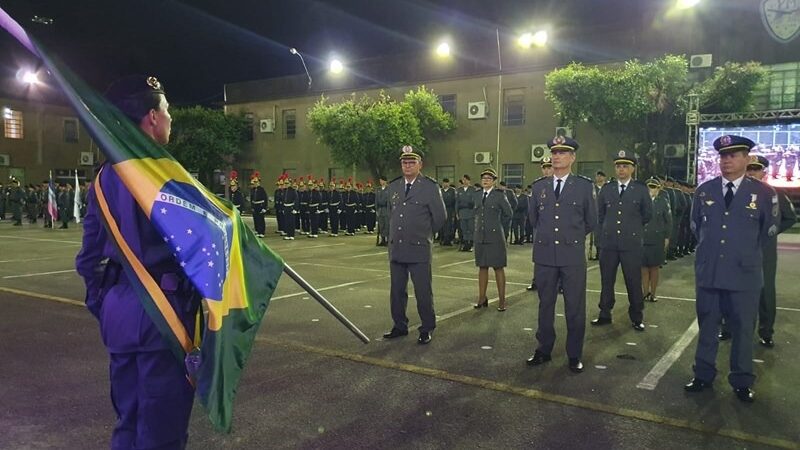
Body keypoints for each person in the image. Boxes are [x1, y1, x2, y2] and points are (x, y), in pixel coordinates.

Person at [75, 75, 199, 448]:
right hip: (163, 316)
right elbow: (198, 249)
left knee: (128, 423)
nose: (170, 118)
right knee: (162, 431)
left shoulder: (104, 178)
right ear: (151, 118)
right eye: (167, 110)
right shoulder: (165, 176)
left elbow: (88, 259)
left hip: (119, 317)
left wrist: (108, 303)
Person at [684, 135, 778, 403]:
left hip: (744, 276)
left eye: (734, 155)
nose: (727, 160)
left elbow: (766, 232)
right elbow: (695, 227)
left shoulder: (763, 193)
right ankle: (703, 374)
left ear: (747, 159)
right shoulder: (704, 191)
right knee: (708, 327)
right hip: (710, 273)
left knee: (743, 331)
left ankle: (741, 380)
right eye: (723, 156)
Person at [526, 136, 596, 373]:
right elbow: (534, 220)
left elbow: (591, 221)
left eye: (563, 153)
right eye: (554, 152)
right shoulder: (539, 187)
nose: (557, 156)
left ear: (572, 158)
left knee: (574, 307)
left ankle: (574, 354)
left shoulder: (584, 187)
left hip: (572, 256)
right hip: (545, 256)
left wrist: (570, 238)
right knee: (545, 305)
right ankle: (544, 349)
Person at [382, 145, 446, 345]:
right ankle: (399, 325)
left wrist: (424, 235)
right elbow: (390, 214)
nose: (407, 166)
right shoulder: (394, 186)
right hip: (397, 248)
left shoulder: (429, 186)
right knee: (397, 291)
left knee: (423, 291)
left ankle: (427, 327)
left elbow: (440, 217)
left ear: (420, 164)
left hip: (419, 248)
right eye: (404, 162)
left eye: (412, 162)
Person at [592, 151, 652, 331]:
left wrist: (631, 229)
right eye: (618, 166)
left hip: (631, 244)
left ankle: (636, 316)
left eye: (625, 166)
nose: (621, 170)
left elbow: (647, 214)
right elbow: (600, 215)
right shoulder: (607, 188)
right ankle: (604, 313)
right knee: (606, 280)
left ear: (632, 169)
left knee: (633, 281)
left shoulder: (640, 189)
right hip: (609, 244)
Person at [744, 155, 796, 348]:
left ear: (763, 173)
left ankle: (766, 332)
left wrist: (770, 232)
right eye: (749, 169)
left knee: (765, 293)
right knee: (735, 290)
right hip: (740, 251)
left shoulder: (774, 193)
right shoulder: (737, 193)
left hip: (764, 252)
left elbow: (790, 218)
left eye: (755, 169)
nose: (751, 173)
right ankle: (730, 327)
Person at [472, 168, 513, 311]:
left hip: (495, 237)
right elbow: (475, 213)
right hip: (480, 236)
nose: (485, 180)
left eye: (489, 178)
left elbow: (509, 214)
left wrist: (499, 227)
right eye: (484, 178)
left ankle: (502, 301)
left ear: (494, 181)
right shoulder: (476, 195)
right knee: (482, 267)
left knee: (498, 267)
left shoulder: (499, 195)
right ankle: (482, 298)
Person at [641, 177, 672, 303]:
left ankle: (653, 293)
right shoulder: (641, 202)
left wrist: (667, 237)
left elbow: (668, 221)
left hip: (657, 239)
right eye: (649, 187)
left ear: (659, 189)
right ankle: (645, 292)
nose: (651, 189)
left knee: (654, 268)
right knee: (643, 268)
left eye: (653, 187)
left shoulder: (663, 202)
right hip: (642, 238)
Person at [526, 157, 555, 291]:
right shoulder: (538, 185)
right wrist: (537, 225)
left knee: (557, 253)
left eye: (549, 167)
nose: (547, 170)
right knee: (539, 255)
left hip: (556, 226)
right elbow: (532, 211)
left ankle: (559, 283)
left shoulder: (560, 184)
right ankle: (536, 280)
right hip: (541, 226)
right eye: (545, 168)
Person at [588, 170, 607, 260]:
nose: (599, 177)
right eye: (598, 176)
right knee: (597, 235)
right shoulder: (592, 188)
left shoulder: (607, 188)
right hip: (596, 215)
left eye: (601, 176)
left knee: (606, 235)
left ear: (604, 177)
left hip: (606, 215)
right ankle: (598, 253)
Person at [456, 174, 476, 252]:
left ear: (469, 181)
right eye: (463, 180)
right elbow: (457, 202)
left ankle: (471, 244)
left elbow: (474, 202)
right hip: (462, 213)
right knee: (463, 229)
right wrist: (457, 212)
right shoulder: (459, 190)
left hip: (470, 213)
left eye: (465, 180)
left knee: (471, 229)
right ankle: (465, 244)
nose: (464, 181)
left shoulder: (473, 189)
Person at [249, 172, 268, 237]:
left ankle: (262, 232)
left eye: (256, 182)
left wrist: (264, 207)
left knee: (261, 219)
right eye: (254, 182)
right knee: (256, 219)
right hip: (255, 206)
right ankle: (257, 230)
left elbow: (265, 199)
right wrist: (252, 206)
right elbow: (252, 199)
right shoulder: (253, 190)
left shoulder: (261, 189)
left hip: (260, 205)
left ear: (259, 182)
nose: (255, 183)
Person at [440, 178, 456, 246]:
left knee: (449, 225)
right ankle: (442, 239)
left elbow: (454, 200)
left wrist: (454, 211)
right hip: (441, 210)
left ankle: (449, 240)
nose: (445, 184)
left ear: (448, 183)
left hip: (450, 209)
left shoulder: (452, 190)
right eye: (444, 183)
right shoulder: (440, 191)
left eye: (446, 183)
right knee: (442, 225)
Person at [375, 176, 389, 245]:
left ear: (385, 181)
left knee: (387, 225)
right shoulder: (378, 189)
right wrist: (376, 209)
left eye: (382, 180)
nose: (381, 182)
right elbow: (376, 200)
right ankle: (383, 240)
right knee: (381, 225)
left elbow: (390, 201)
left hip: (386, 209)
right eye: (380, 180)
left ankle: (388, 240)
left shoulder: (389, 189)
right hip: (380, 209)